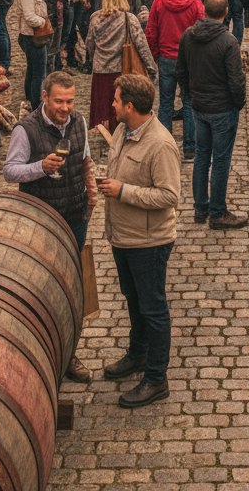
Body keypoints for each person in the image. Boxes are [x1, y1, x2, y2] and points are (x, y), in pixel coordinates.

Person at [3, 70, 96, 382]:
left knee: (72, 290)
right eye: (59, 101)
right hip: (41, 221)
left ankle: (69, 354)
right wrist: (41, 167)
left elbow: (85, 160)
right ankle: (37, 353)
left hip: (75, 216)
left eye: (70, 101)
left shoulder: (78, 122)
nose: (65, 108)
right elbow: (10, 171)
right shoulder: (26, 129)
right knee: (41, 288)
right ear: (44, 97)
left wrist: (91, 195)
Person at [98, 74, 180, 408]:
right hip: (123, 236)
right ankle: (138, 354)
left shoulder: (160, 144)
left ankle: (157, 378)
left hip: (149, 242)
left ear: (130, 106)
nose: (112, 104)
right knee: (133, 299)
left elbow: (169, 195)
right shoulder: (122, 129)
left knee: (153, 308)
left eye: (116, 100)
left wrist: (123, 191)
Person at [176, 0, 247, 229]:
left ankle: (200, 208)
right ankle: (217, 212)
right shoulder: (228, 41)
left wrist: (189, 95)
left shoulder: (188, 36)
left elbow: (181, 71)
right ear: (226, 12)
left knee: (202, 157)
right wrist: (239, 103)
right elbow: (236, 80)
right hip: (222, 109)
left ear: (204, 10)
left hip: (200, 106)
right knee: (220, 161)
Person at [146, 0, 204, 161]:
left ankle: (165, 148)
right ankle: (189, 148)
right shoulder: (196, 4)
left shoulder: (160, 0)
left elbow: (151, 31)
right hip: (188, 59)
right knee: (189, 101)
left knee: (165, 102)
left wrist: (155, 53)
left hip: (166, 57)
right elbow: (201, 34)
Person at [86, 0, 157, 133]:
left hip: (100, 71)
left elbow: (90, 45)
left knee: (101, 108)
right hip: (121, 69)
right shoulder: (128, 18)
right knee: (119, 106)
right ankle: (118, 134)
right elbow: (142, 45)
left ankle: (102, 135)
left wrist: (94, 59)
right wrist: (151, 68)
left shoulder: (95, 20)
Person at [10, 0, 49, 111]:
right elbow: (29, 17)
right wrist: (43, 22)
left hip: (30, 35)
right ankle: (37, 103)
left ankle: (31, 100)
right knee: (38, 73)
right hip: (33, 36)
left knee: (32, 69)